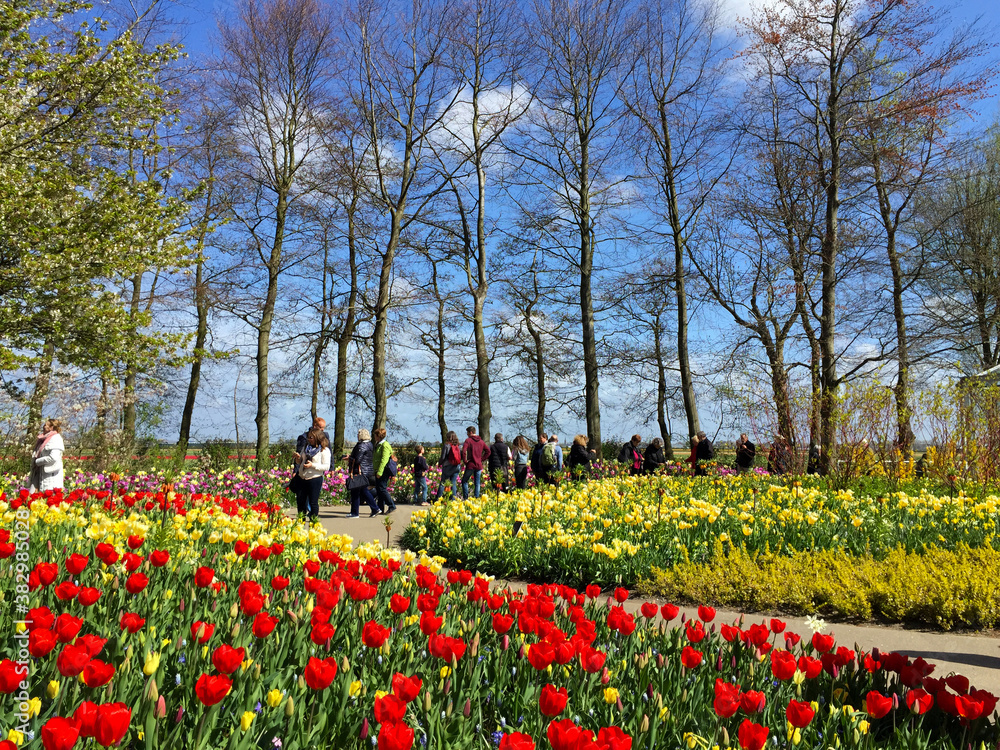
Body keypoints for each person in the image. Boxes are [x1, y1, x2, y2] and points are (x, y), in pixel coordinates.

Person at [296, 428, 330, 522]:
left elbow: (326, 466)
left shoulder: (324, 450)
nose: (309, 439)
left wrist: (312, 465)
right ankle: (300, 523)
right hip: (303, 477)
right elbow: (301, 462)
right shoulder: (306, 448)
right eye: (308, 437)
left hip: (315, 478)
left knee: (313, 502)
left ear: (317, 438)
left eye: (311, 437)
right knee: (300, 502)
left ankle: (313, 523)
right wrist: (298, 459)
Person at [347, 429, 379, 518]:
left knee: (356, 491)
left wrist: (349, 458)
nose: (357, 435)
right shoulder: (370, 444)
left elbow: (358, 459)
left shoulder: (361, 446)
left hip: (360, 471)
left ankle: (355, 513)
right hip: (368, 470)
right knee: (363, 491)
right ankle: (375, 508)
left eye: (358, 434)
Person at [29, 418, 65, 493]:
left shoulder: (56, 439)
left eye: (45, 425)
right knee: (30, 495)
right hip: (38, 472)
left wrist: (37, 462)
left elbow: (53, 458)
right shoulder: (43, 440)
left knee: (46, 498)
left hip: (50, 476)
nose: (43, 426)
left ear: (51, 428)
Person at [461, 426, 491, 499]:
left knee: (464, 481)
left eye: (467, 433)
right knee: (477, 482)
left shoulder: (468, 440)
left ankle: (466, 497)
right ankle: (476, 497)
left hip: (471, 464)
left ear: (471, 432)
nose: (467, 434)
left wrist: (465, 460)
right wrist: (482, 459)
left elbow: (464, 451)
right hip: (478, 464)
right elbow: (488, 451)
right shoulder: (481, 441)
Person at [372, 427, 397, 514]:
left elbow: (384, 460)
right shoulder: (378, 444)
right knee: (379, 489)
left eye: (375, 435)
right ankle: (380, 508)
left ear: (378, 436)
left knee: (382, 489)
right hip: (379, 469)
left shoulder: (385, 445)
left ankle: (391, 505)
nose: (374, 437)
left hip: (384, 470)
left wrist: (379, 472)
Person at [434, 431, 462, 501]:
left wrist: (440, 463)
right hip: (457, 466)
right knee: (453, 483)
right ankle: (453, 499)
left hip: (448, 466)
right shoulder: (459, 445)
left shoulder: (446, 445)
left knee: (443, 483)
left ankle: (438, 499)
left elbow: (443, 457)